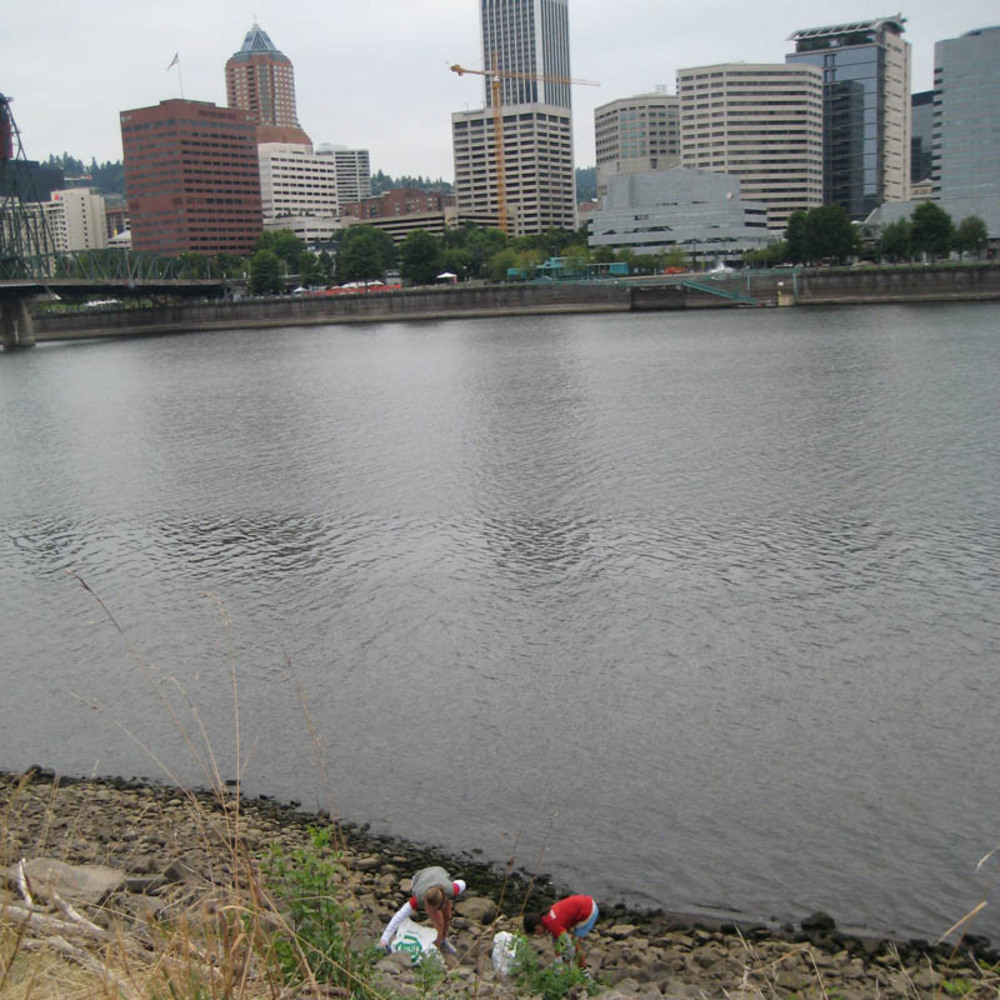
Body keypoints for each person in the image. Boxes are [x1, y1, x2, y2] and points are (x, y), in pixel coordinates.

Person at [379, 866, 467, 955]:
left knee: (447, 916)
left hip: (438, 873)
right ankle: (437, 947)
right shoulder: (417, 899)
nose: (429, 910)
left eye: (432, 909)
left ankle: (443, 940)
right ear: (424, 901)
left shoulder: (450, 890)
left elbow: (462, 883)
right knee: (439, 923)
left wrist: (448, 883)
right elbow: (399, 917)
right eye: (427, 907)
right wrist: (384, 939)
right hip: (419, 878)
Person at [523, 894, 599, 969]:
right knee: (569, 946)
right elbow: (555, 939)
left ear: (537, 927)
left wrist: (564, 962)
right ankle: (569, 966)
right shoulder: (547, 918)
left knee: (575, 944)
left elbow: (569, 947)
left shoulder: (553, 924)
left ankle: (583, 971)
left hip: (589, 911)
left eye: (535, 933)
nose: (537, 935)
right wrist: (558, 957)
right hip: (585, 902)